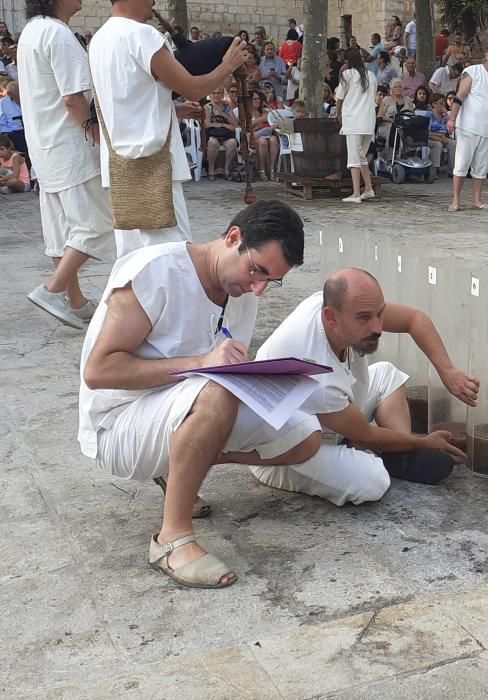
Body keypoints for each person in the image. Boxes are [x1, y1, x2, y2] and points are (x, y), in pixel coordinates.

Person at [79, 201, 321, 589]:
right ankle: (170, 539)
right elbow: (99, 371)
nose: (257, 289)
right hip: (119, 425)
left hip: (179, 410)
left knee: (304, 433)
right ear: (233, 238)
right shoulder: (154, 271)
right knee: (217, 390)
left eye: (270, 281)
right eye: (256, 270)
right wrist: (202, 363)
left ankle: (182, 464)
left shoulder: (239, 293)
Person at [252, 268, 477, 503]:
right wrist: (424, 442)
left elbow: (414, 319)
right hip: (285, 452)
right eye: (364, 318)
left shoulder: (331, 304)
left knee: (387, 375)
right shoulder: (313, 371)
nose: (378, 328)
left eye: (379, 314)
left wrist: (447, 371)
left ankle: (392, 449)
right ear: (331, 317)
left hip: (332, 417)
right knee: (372, 482)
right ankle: (373, 453)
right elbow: (366, 433)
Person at [90, 0, 246, 258]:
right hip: (154, 163)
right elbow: (193, 88)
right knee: (173, 258)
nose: (153, 2)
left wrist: (175, 111)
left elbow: (126, 105)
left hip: (121, 166)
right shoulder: (142, 35)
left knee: (131, 259)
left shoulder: (100, 40)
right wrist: (227, 65)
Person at [18, 0, 114, 329]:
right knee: (97, 223)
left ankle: (75, 303)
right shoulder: (57, 34)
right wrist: (100, 140)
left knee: (62, 231)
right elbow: (74, 98)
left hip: (45, 148)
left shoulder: (31, 32)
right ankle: (52, 289)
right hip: (71, 147)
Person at [446, 41, 488, 212]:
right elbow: (460, 96)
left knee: (480, 168)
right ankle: (456, 200)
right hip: (467, 127)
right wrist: (452, 119)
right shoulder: (473, 72)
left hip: (486, 130)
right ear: (486, 56)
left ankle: (477, 200)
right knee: (461, 164)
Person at [335, 47, 377, 204]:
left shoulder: (347, 75)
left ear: (348, 61)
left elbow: (339, 97)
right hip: (368, 121)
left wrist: (337, 112)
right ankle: (368, 188)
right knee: (361, 157)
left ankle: (355, 193)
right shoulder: (371, 75)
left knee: (353, 159)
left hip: (353, 120)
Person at [203, 87, 238, 180]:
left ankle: (226, 169)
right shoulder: (207, 107)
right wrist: (224, 125)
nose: (216, 95)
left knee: (233, 143)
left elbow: (235, 124)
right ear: (209, 95)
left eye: (218, 93)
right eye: (213, 93)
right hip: (213, 134)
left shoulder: (227, 107)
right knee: (212, 143)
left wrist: (224, 115)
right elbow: (207, 124)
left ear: (222, 95)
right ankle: (211, 170)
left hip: (226, 135)